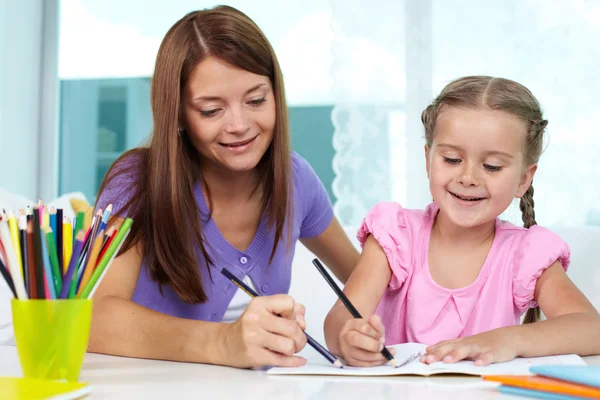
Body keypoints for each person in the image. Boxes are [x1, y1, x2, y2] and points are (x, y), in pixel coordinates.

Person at [88, 5, 358, 369]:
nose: (239, 125)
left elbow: (365, 282)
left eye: (257, 100)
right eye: (212, 110)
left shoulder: (296, 180)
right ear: (179, 115)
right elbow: (92, 318)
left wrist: (356, 330)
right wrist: (223, 343)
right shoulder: (136, 183)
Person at [323, 76, 600, 367]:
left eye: (492, 166)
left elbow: (592, 328)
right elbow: (337, 322)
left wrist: (509, 339)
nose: (468, 178)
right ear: (428, 158)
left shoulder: (525, 254)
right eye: (452, 159)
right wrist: (348, 339)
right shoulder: (395, 236)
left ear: (524, 179)